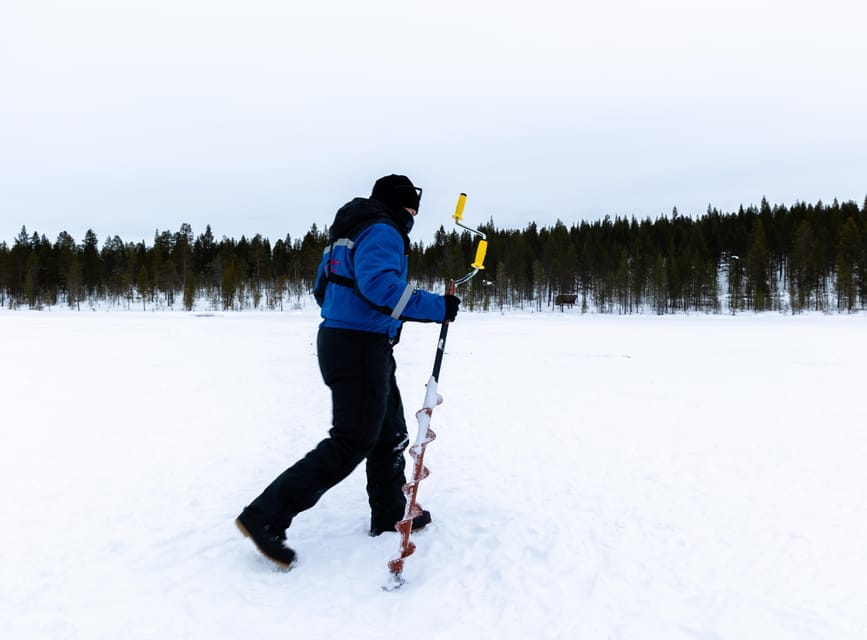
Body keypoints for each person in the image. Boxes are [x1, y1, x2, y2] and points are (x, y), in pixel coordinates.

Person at [236, 174, 460, 569]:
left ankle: (390, 511)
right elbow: (381, 288)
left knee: (390, 432)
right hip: (358, 347)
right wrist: (437, 307)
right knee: (351, 440)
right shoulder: (383, 230)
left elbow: (324, 289)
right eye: (412, 208)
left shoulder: (350, 230)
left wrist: (366, 323)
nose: (413, 215)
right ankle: (265, 515)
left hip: (351, 342)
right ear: (400, 205)